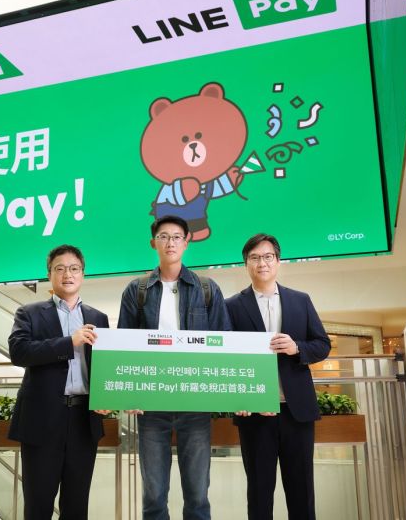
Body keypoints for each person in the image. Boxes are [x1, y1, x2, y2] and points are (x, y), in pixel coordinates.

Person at [118, 215, 231, 520]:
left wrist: (224, 396)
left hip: (195, 404)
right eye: (164, 236)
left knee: (198, 494)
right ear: (153, 242)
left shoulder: (206, 288)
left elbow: (225, 342)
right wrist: (130, 394)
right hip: (151, 406)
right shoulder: (137, 290)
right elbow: (124, 346)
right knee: (154, 495)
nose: (170, 242)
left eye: (177, 237)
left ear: (186, 242)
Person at [225, 233, 331, 520]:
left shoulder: (300, 300)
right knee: (259, 493)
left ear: (278, 261)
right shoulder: (231, 305)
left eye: (267, 256)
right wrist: (238, 398)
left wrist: (298, 348)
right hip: (255, 414)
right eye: (255, 258)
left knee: (301, 491)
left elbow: (322, 344)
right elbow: (226, 356)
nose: (262, 263)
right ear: (246, 264)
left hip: (297, 413)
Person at [8, 244, 110, 520]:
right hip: (42, 420)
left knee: (76, 506)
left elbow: (105, 366)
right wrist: (69, 342)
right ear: (49, 274)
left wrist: (106, 399)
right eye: (60, 268)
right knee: (38, 505)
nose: (68, 274)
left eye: (74, 268)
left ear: (83, 274)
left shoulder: (98, 318)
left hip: (84, 419)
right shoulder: (29, 313)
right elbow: (19, 352)